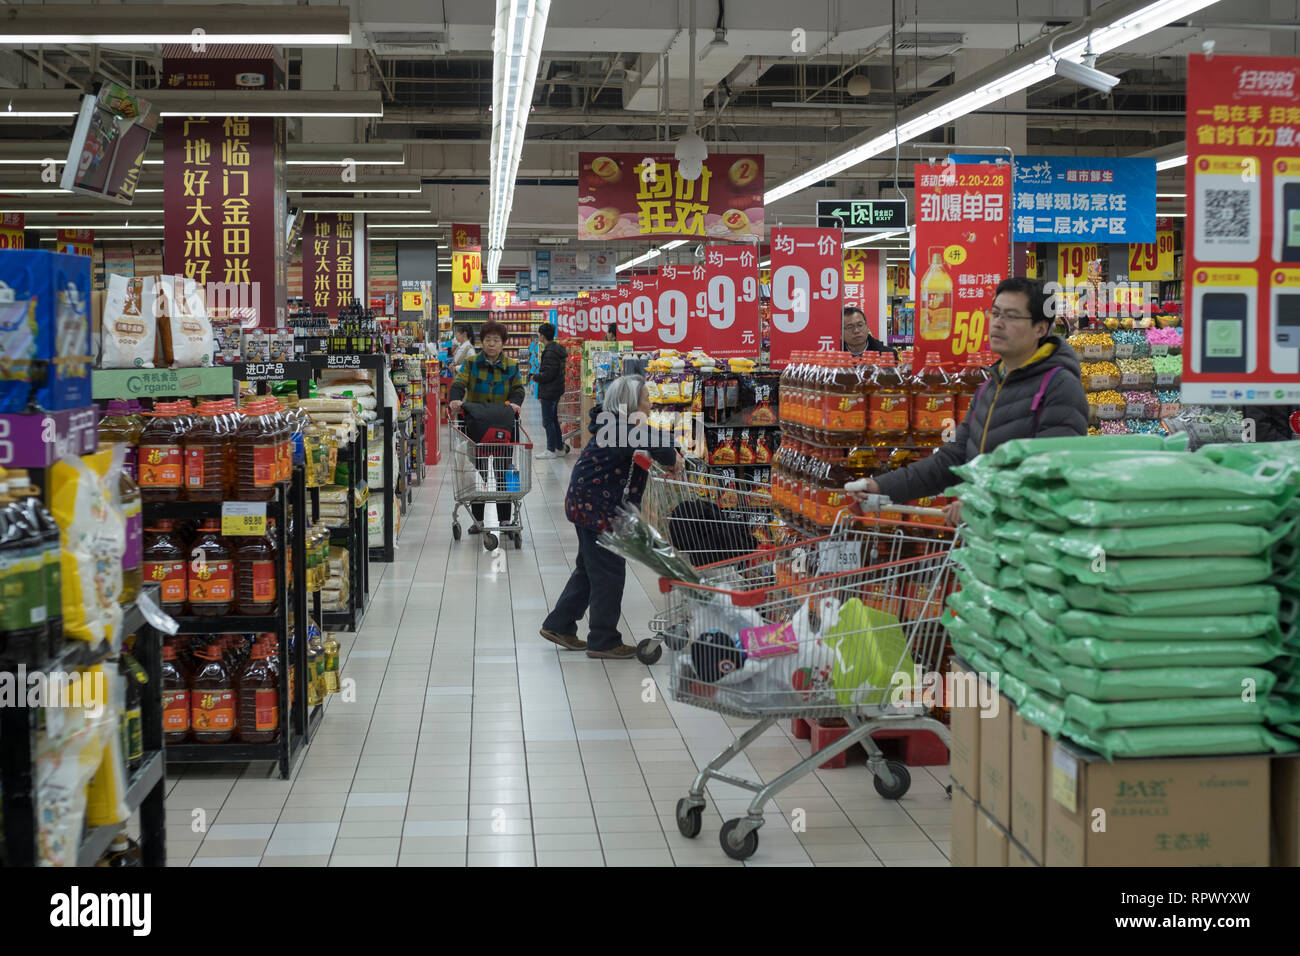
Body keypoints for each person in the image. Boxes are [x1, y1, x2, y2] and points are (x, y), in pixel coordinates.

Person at [851, 277, 1088, 525]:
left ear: (1041, 328)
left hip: (1029, 547)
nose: (998, 323)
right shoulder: (990, 386)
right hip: (987, 542)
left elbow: (1050, 472)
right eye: (995, 313)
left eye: (1011, 316)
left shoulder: (1060, 387)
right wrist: (880, 485)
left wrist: (982, 501)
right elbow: (952, 458)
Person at [541, 374, 683, 659]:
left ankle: (560, 625)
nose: (651, 402)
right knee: (609, 573)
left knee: (589, 570)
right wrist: (673, 458)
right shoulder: (620, 429)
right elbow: (660, 445)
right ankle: (603, 640)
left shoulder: (616, 425)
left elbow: (653, 440)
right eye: (646, 398)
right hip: (599, 511)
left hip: (588, 506)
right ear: (630, 403)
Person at [448, 321, 524, 534]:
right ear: (482, 341)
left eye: (496, 340)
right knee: (478, 474)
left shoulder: (511, 365)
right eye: (488, 339)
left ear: (503, 344)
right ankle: (478, 520)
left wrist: (516, 402)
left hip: (503, 426)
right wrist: (455, 399)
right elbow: (458, 384)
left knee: (502, 472)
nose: (491, 344)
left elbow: (518, 388)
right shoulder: (472, 363)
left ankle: (505, 521)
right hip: (476, 426)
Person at [534, 322, 569, 459]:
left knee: (548, 421)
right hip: (556, 389)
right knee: (554, 420)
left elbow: (549, 374)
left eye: (539, 334)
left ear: (542, 336)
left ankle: (550, 450)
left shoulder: (549, 352)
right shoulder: (557, 348)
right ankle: (559, 447)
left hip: (550, 391)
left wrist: (535, 377)